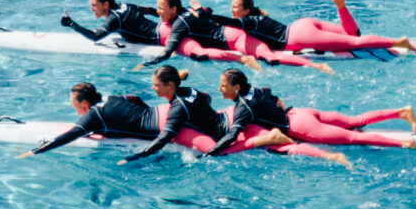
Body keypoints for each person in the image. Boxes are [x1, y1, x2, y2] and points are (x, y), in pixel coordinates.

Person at [127, 67, 349, 166]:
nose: (153, 89)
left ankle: (330, 156)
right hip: (227, 116)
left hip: (226, 129)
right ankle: (342, 141)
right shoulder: (190, 91)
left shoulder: (177, 107)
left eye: (156, 85)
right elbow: (206, 98)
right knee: (286, 144)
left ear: (170, 85)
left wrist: (134, 157)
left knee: (278, 147)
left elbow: (165, 138)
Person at [214, 69, 416, 152]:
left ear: (236, 87)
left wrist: (211, 152)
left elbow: (233, 134)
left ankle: (404, 142)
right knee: (353, 120)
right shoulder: (257, 89)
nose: (220, 90)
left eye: (223, 86)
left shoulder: (243, 107)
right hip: (300, 113)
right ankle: (402, 112)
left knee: (352, 137)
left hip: (299, 126)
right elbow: (276, 99)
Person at [148, 0, 330, 71]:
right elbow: (208, 11)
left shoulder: (179, 23)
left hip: (232, 41)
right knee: (271, 56)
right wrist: (200, 9)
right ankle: (316, 66)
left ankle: (317, 66)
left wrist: (149, 63)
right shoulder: (188, 10)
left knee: (270, 58)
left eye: (160, 8)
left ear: (173, 9)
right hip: (234, 33)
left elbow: (169, 49)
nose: (158, 12)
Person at [262, 0, 416, 57]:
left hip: (298, 38)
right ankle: (340, 4)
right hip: (301, 24)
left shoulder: (243, 31)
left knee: (355, 44)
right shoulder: (256, 18)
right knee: (353, 36)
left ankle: (398, 42)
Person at [28, 81, 163, 156]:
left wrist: (36, 151)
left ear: (85, 104)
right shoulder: (111, 98)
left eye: (72, 102)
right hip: (160, 113)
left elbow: (70, 135)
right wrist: (146, 113)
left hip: (159, 131)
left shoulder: (94, 116)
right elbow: (135, 99)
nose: (70, 104)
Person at [63, 0, 161, 47]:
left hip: (159, 39)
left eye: (94, 5)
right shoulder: (126, 5)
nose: (91, 8)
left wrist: (71, 24)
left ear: (105, 5)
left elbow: (95, 37)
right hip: (162, 28)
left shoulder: (114, 19)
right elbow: (151, 10)